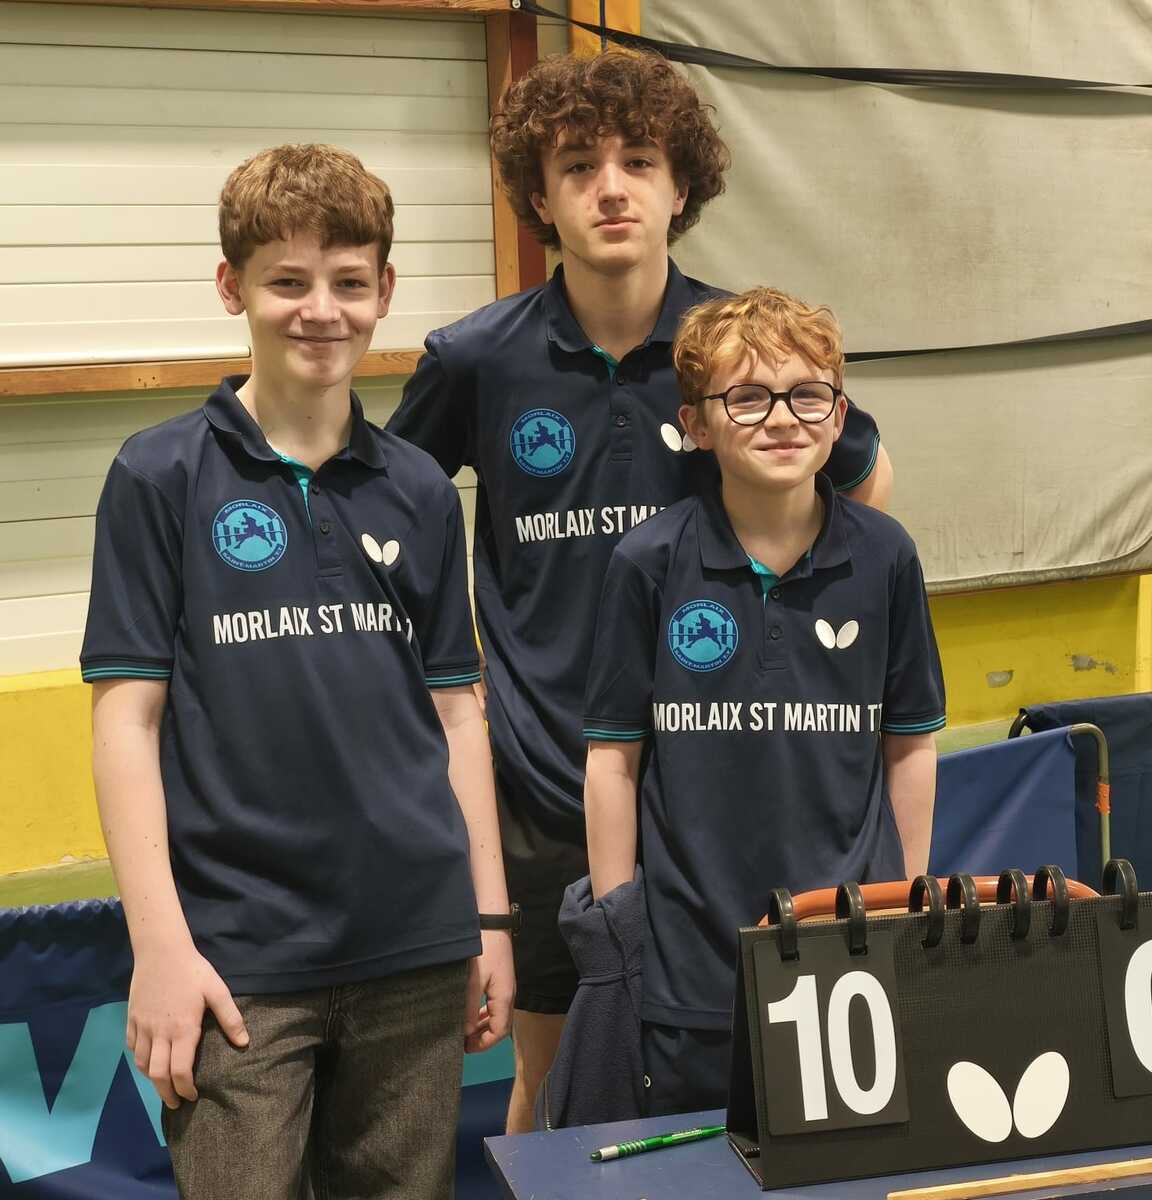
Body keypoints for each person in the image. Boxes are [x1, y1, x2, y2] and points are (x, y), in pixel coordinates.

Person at [385, 49, 894, 1132]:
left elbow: (867, 486)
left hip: (724, 789)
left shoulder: (739, 351)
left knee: (769, 1082)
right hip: (547, 784)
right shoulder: (476, 359)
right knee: (562, 1084)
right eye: (578, 166)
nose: (610, 188)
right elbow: (389, 515)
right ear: (539, 197)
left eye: (639, 162)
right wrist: (456, 686)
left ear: (681, 186)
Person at [80, 143, 514, 1197]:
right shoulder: (158, 475)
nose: (321, 310)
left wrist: (489, 918)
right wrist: (160, 947)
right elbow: (127, 722)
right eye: (288, 281)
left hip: (414, 944)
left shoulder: (419, 486)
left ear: (385, 292)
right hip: (237, 961)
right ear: (232, 287)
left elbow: (457, 714)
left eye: (349, 282)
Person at [582, 286, 944, 1115]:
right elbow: (613, 760)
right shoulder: (646, 563)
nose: (782, 419)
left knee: (846, 1164)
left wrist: (906, 905)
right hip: (689, 969)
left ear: (839, 414)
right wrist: (619, 930)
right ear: (697, 425)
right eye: (747, 398)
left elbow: (911, 746)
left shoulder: (886, 557)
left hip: (849, 953)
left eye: (807, 395)